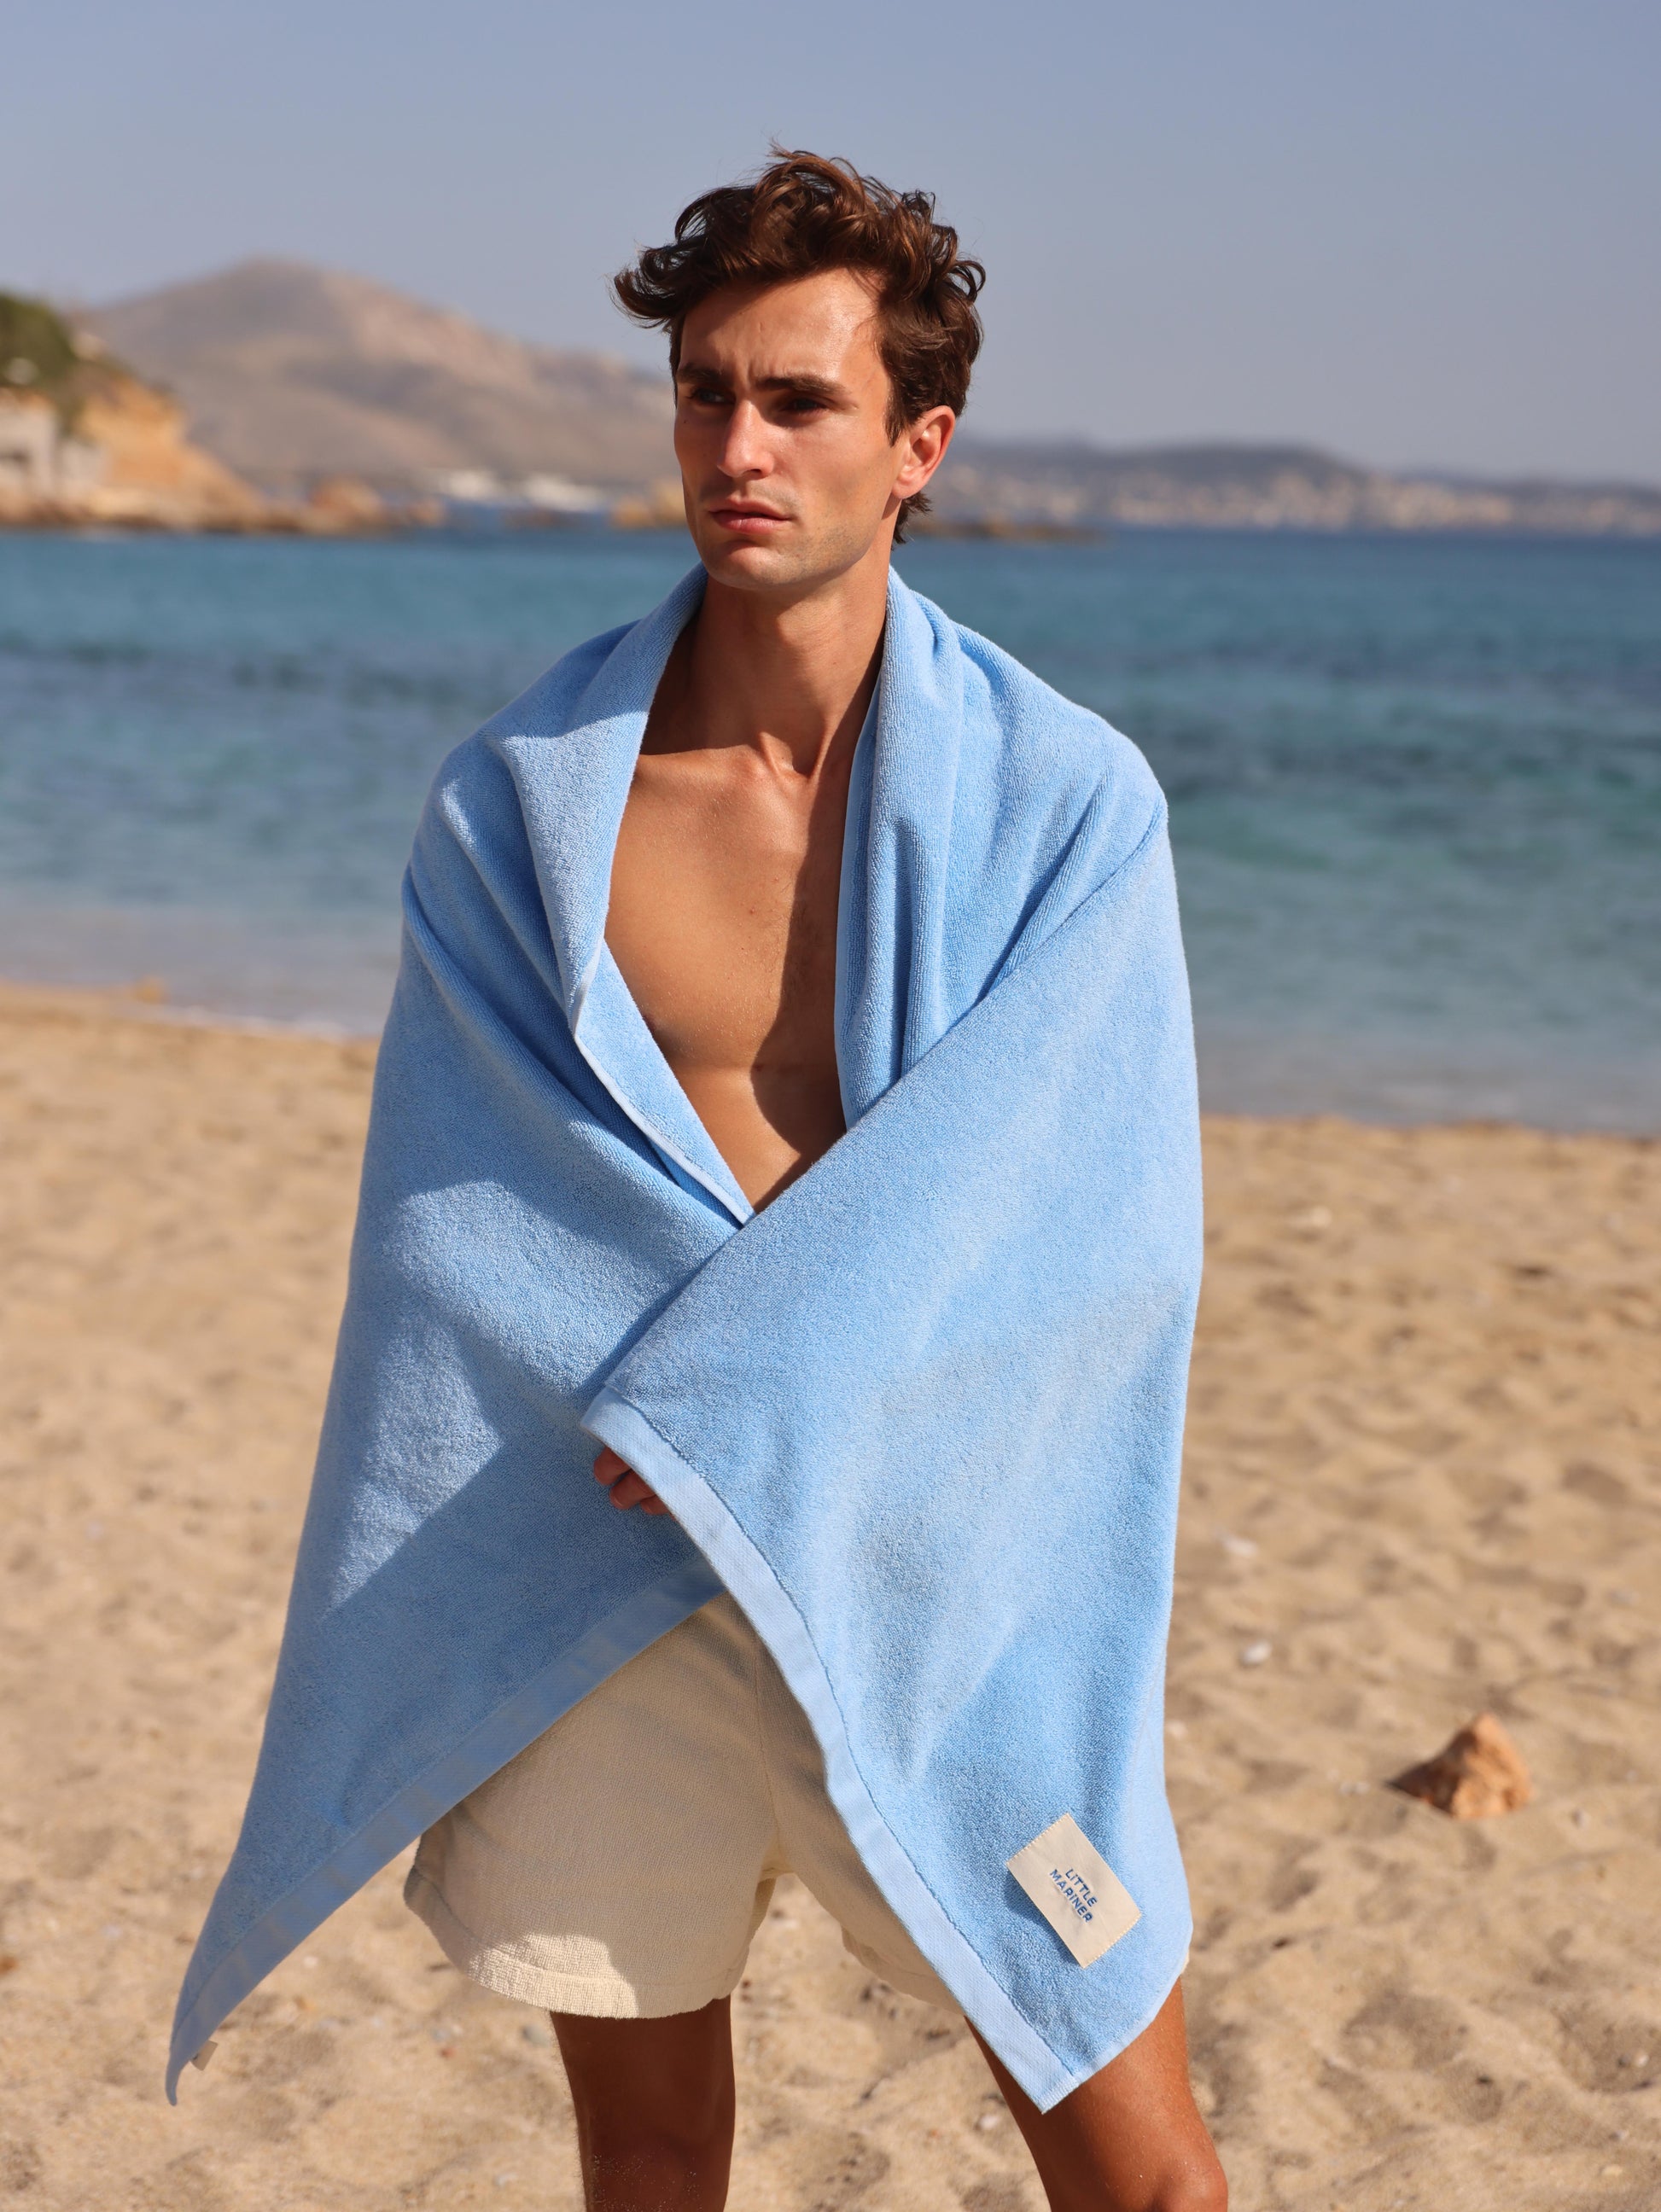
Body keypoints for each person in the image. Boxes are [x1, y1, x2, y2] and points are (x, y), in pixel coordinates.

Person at [169, 152, 1225, 2212]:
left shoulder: (1066, 804)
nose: (739, 449)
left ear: (919, 444)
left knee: (1137, 2164)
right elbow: (465, 1205)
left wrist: (746, 1397)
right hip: (607, 1571)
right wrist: (653, 1408)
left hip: (923, 1549)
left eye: (799, 401)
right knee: (648, 2161)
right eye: (704, 395)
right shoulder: (524, 804)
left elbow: (1080, 1211)